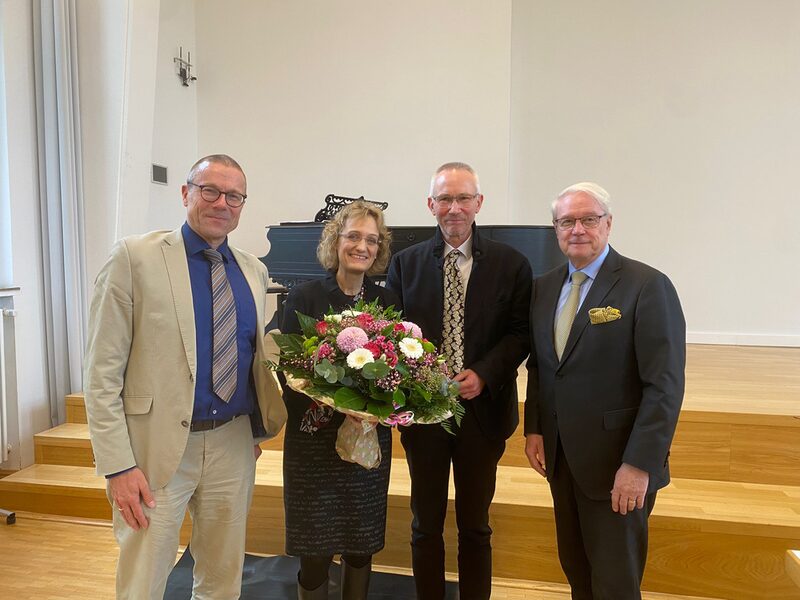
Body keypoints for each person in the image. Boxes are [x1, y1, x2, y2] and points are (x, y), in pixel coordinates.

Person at [83, 154, 287, 599]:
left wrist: (253, 430)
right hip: (154, 449)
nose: (221, 202)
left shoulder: (253, 270)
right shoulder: (134, 258)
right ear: (185, 193)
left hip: (233, 445)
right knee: (144, 581)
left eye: (234, 195)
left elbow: (247, 355)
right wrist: (118, 465)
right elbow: (101, 375)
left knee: (222, 579)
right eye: (209, 189)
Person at [524, 182, 685, 599]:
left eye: (588, 219)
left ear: (608, 224)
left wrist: (638, 466)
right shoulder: (544, 287)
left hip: (618, 468)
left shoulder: (647, 286)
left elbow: (664, 386)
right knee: (578, 573)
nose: (577, 229)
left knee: (615, 584)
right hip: (563, 462)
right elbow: (543, 368)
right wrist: (535, 429)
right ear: (555, 230)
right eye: (566, 221)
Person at [385, 162, 532, 599]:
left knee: (475, 526)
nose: (454, 208)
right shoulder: (404, 264)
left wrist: (485, 374)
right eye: (445, 199)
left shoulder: (512, 264)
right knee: (424, 525)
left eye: (463, 198)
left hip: (481, 415)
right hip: (424, 418)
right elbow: (393, 336)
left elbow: (520, 332)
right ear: (431, 205)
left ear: (478, 204)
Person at [279, 201, 400, 600]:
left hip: (365, 441)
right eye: (353, 236)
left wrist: (374, 410)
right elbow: (290, 372)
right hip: (313, 446)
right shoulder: (304, 297)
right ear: (336, 240)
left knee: (360, 546)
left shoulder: (388, 303)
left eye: (371, 239)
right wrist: (329, 404)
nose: (361, 246)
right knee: (314, 551)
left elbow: (395, 373)